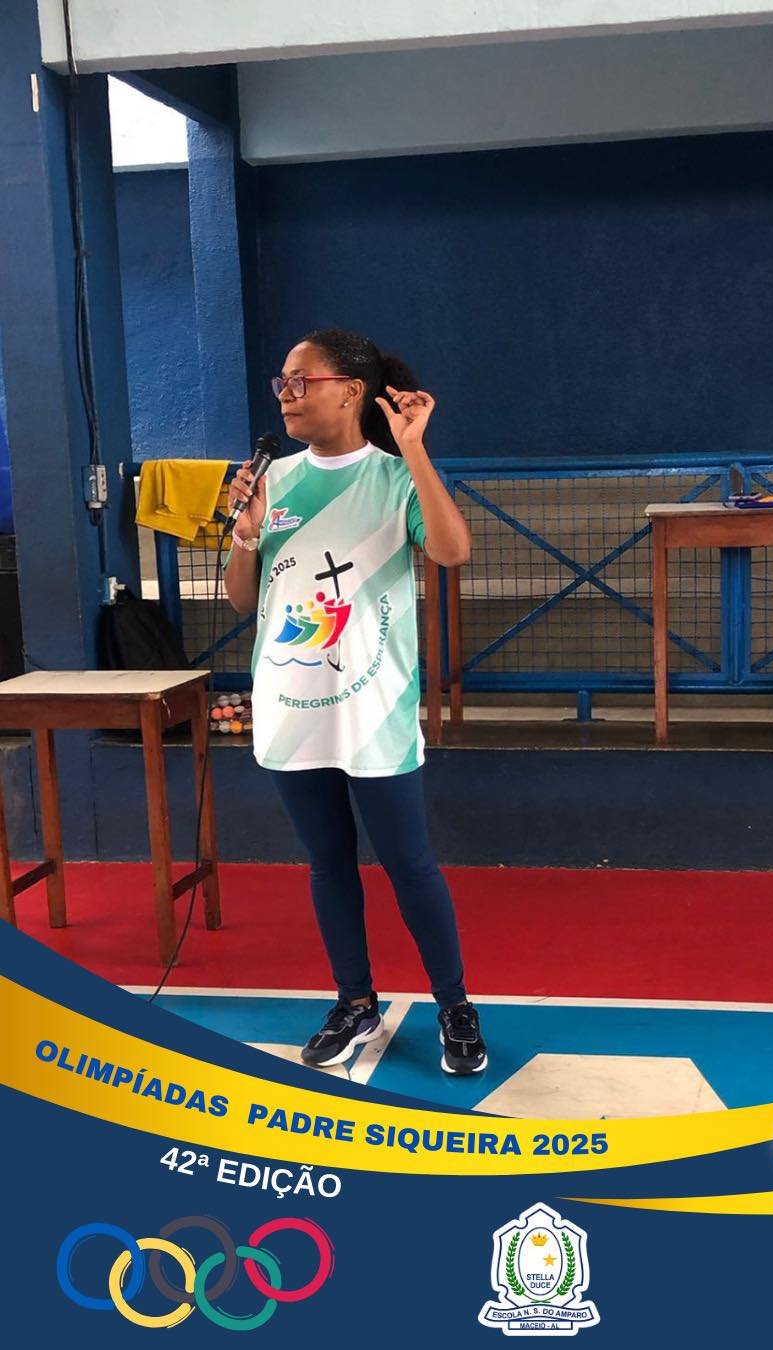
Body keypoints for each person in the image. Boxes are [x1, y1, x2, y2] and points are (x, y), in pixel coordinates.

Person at [224, 327, 487, 1076]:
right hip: (291, 708)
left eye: (301, 380)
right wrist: (244, 534)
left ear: (350, 391)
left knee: (409, 863)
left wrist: (414, 449)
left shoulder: (396, 478)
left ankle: (454, 1004)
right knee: (328, 863)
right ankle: (354, 1001)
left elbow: (452, 550)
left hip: (373, 711)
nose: (286, 395)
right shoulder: (272, 480)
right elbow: (242, 601)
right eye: (281, 382)